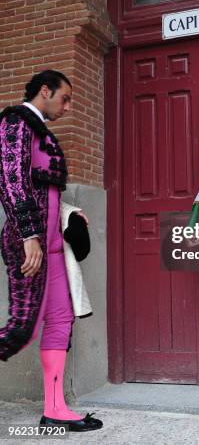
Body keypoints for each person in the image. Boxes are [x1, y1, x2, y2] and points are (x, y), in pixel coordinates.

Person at [0, 70, 103, 432]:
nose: (68, 106)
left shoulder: (42, 129)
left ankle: (55, 409)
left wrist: (71, 213)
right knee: (21, 329)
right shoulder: (15, 122)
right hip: (30, 243)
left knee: (61, 320)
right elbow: (11, 181)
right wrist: (29, 235)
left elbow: (47, 192)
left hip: (54, 246)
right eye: (65, 98)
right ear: (45, 91)